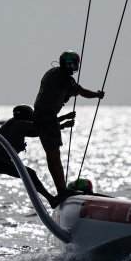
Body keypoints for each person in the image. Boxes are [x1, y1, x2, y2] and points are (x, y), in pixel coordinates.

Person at [33, 50, 104, 199]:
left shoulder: (51, 72)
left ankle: (61, 189)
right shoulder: (65, 79)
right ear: (70, 64)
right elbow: (82, 92)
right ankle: (62, 190)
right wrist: (97, 95)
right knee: (54, 157)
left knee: (53, 156)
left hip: (41, 116)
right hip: (48, 118)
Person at [0, 104, 75, 208]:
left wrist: (63, 122)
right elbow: (43, 127)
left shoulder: (14, 123)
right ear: (27, 116)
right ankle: (51, 200)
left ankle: (51, 199)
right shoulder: (20, 124)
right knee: (30, 174)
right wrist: (64, 121)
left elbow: (36, 132)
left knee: (30, 174)